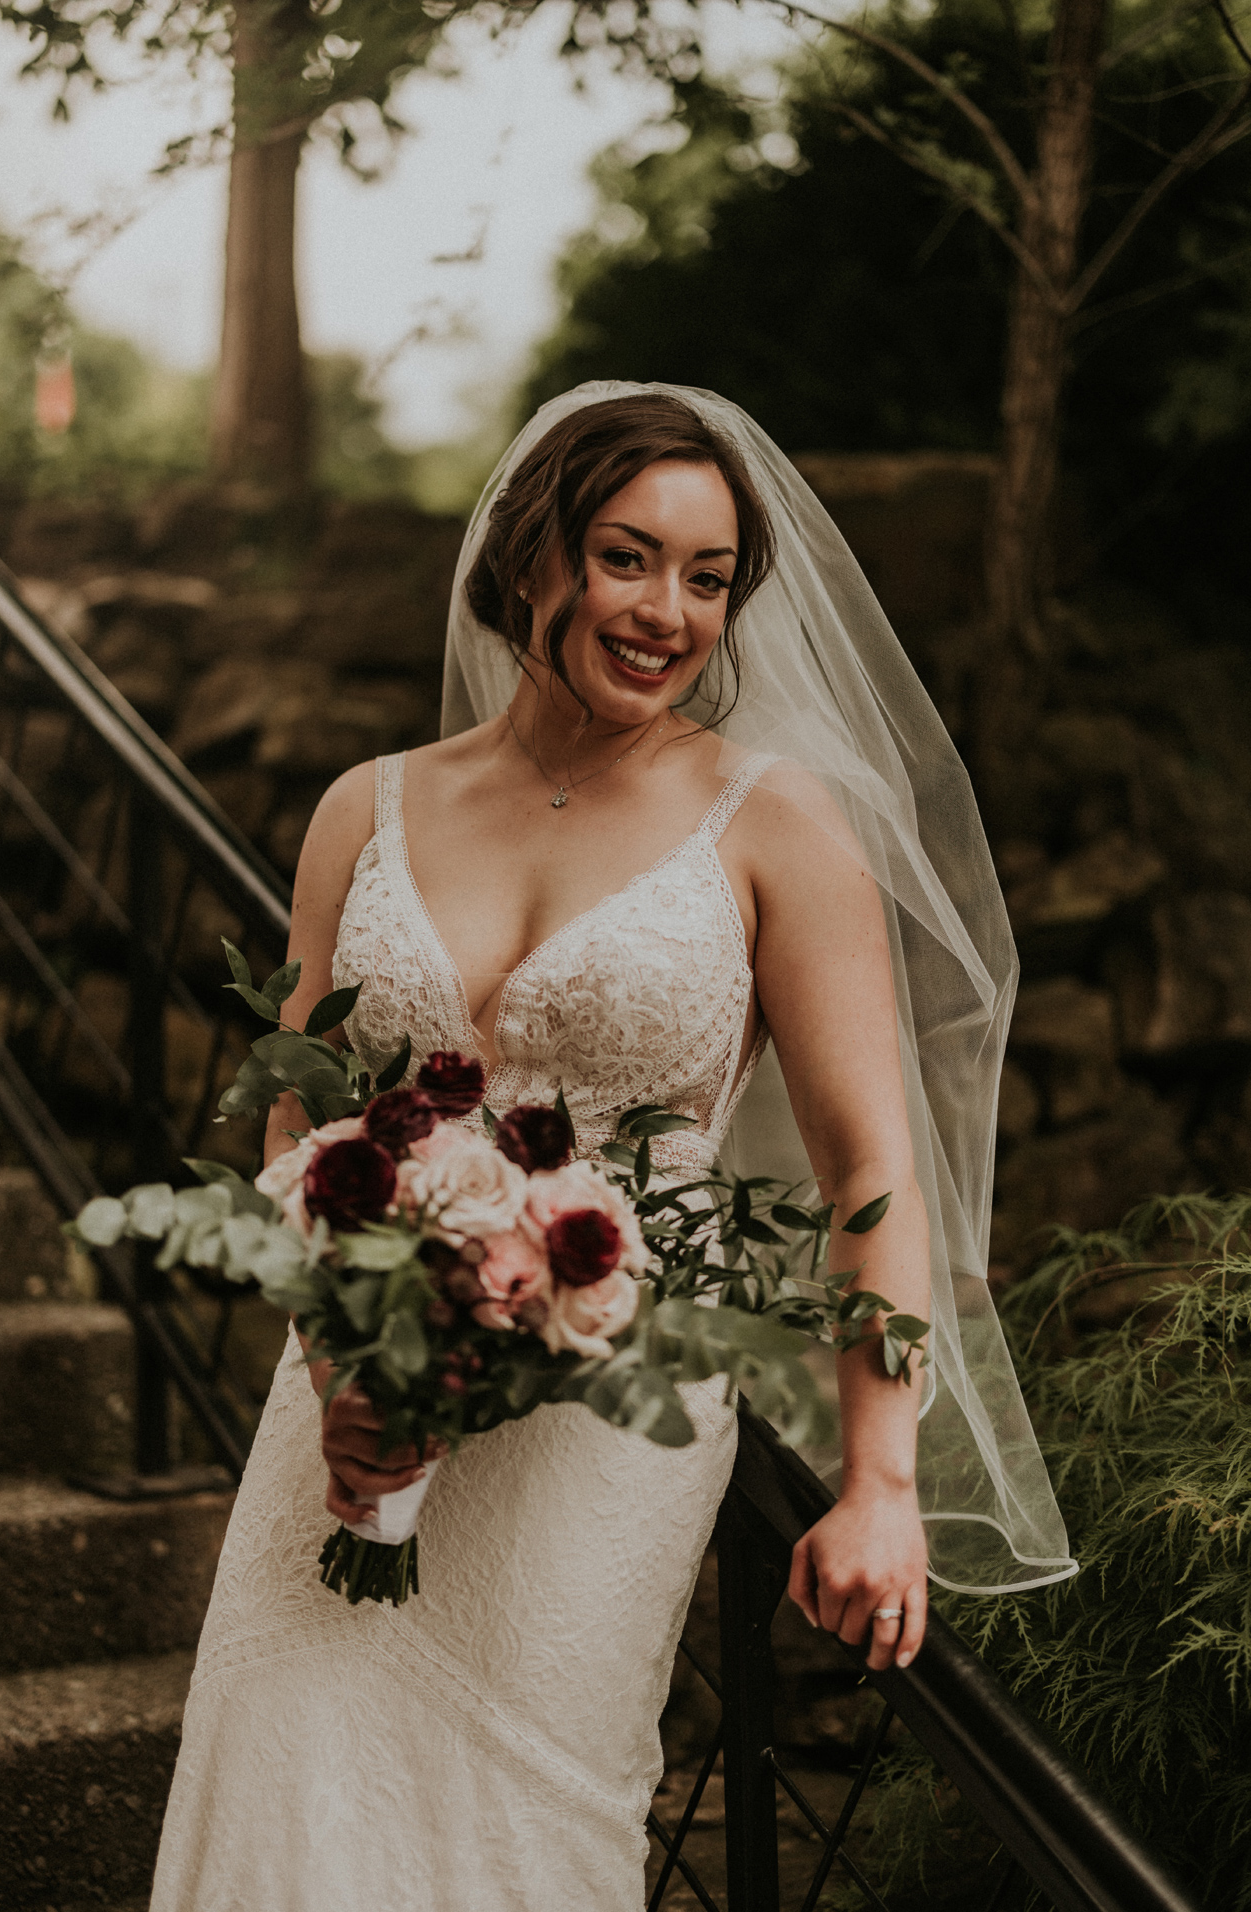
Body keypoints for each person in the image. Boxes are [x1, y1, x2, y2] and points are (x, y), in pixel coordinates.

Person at [146, 386, 1073, 1910]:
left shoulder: (778, 827)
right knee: (285, 1784)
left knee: (525, 1822)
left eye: (708, 579)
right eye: (628, 559)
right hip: (350, 1409)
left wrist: (880, 1482)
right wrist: (342, 1359)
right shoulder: (361, 808)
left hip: (612, 1421)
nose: (668, 612)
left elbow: (873, 1178)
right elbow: (299, 1112)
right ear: (530, 561)